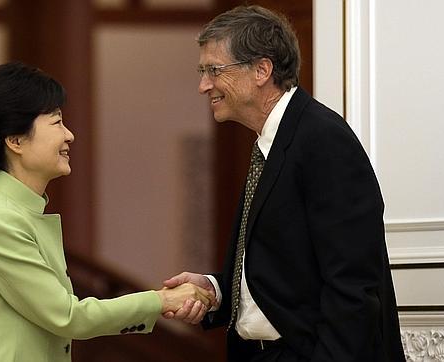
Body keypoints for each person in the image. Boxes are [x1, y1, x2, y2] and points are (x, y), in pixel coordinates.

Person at [162, 5, 405, 362]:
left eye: (214, 70)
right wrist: (215, 290)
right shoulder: (269, 142)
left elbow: (353, 285)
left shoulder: (323, 140)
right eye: (202, 72)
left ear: (262, 70)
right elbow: (286, 275)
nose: (203, 86)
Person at [0, 61, 214, 362]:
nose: (69, 135)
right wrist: (160, 300)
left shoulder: (15, 213)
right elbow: (67, 316)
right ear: (16, 140)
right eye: (57, 122)